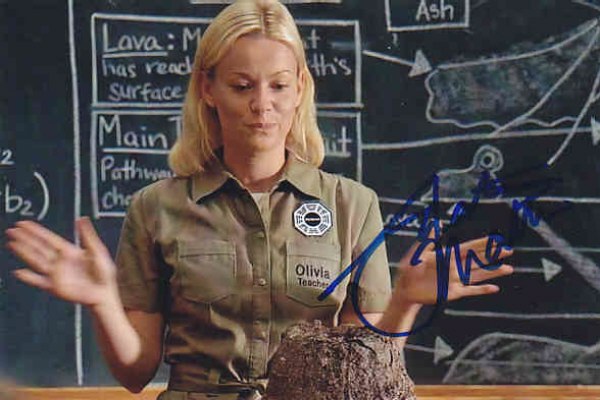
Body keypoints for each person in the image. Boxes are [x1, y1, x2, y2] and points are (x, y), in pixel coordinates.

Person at [4, 0, 514, 398]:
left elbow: (365, 377)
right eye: (242, 85)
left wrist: (404, 301)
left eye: (278, 86)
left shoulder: (352, 205)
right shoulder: (155, 207)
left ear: (300, 90)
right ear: (208, 89)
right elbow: (136, 372)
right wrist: (102, 302)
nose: (262, 105)